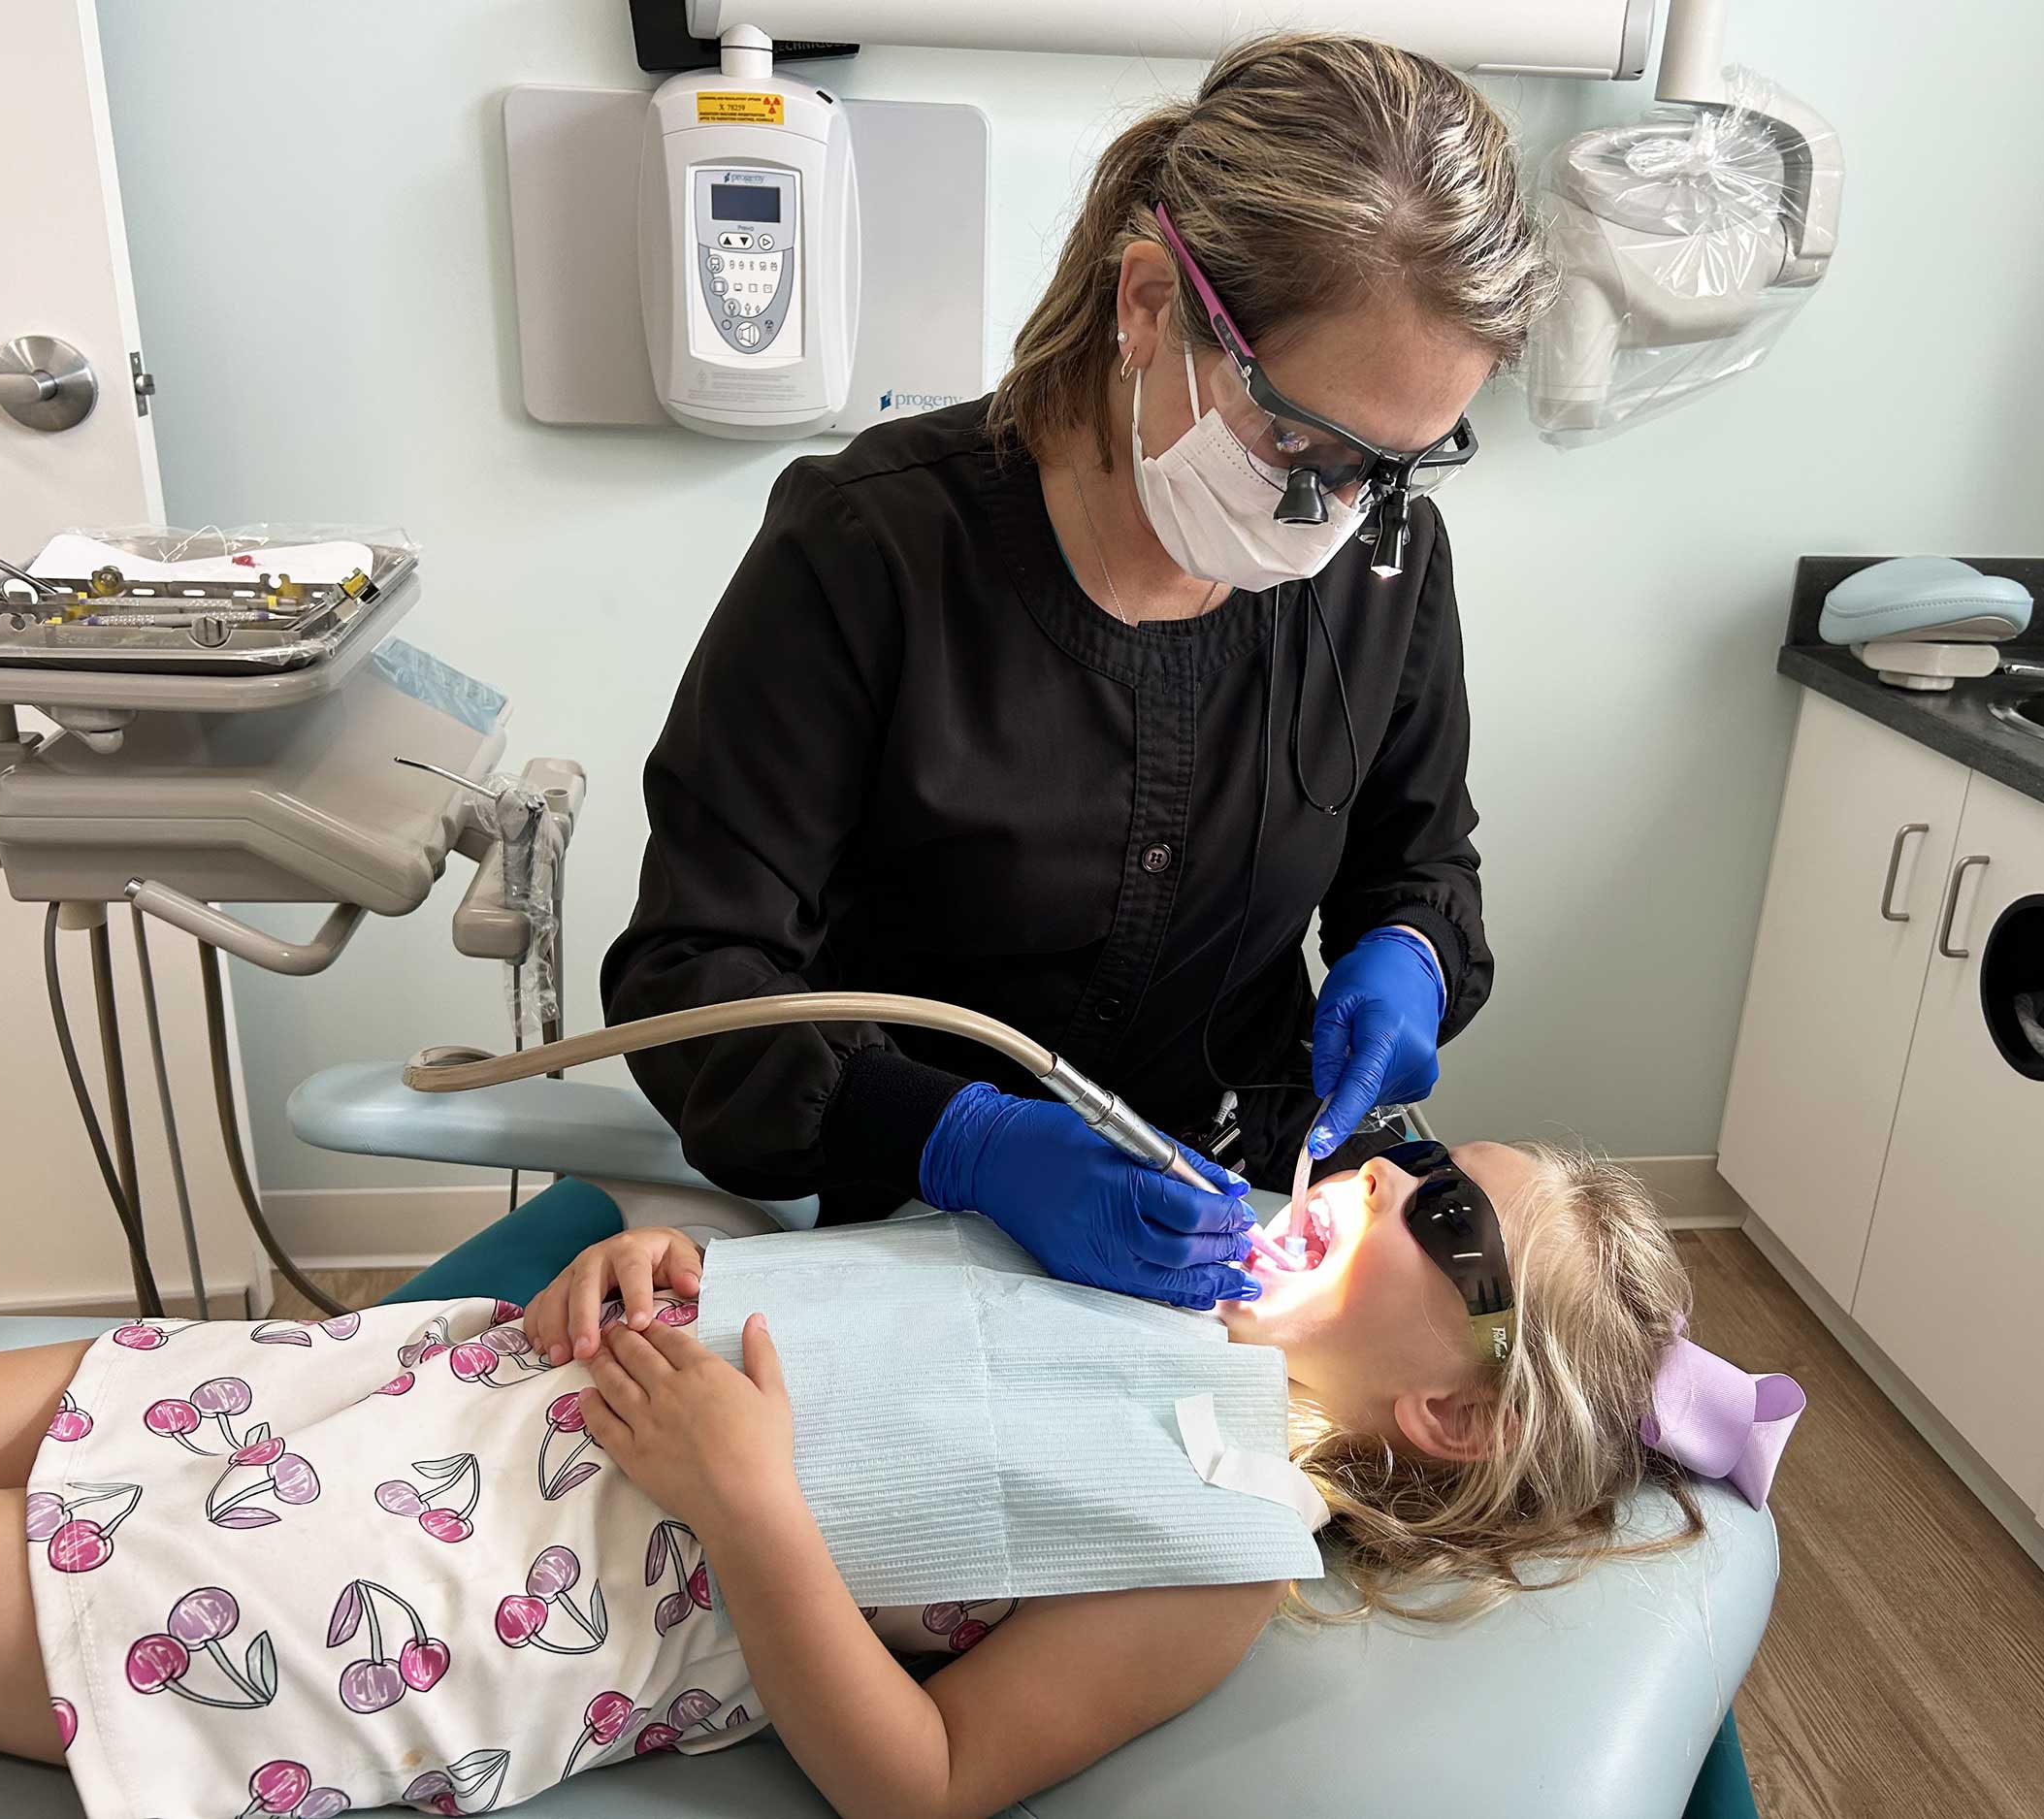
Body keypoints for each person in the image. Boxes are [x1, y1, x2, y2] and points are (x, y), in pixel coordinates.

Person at [0, 1140, 1797, 1819]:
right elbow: (830, 1301)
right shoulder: (1124, 1259)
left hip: (444, 1582)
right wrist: (650, 1269)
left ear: (1449, 1415)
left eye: (1439, 1213)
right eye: (1411, 1145)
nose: (1377, 1172)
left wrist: (752, 1503)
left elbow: (922, 1779)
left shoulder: (1213, 1536)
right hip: (426, 1376)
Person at [599, 32, 1556, 1308]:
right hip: (913, 1219)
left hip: (1234, 1216)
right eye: (1300, 441)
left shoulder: (1386, 562)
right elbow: (691, 978)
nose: (1338, 515)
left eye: (1398, 464)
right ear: (1153, 304)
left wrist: (1410, 955)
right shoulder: (869, 550)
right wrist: (965, 1142)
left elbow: (1418, 863)